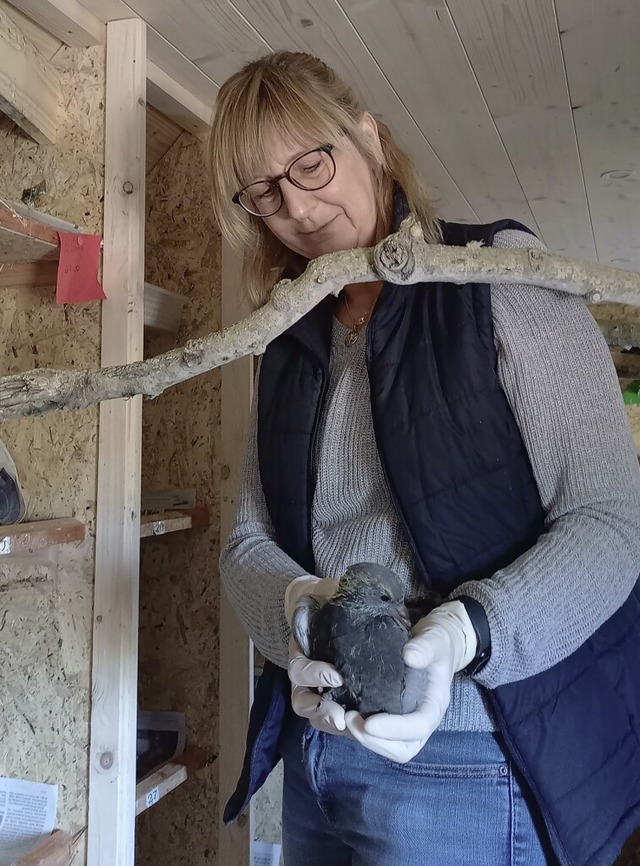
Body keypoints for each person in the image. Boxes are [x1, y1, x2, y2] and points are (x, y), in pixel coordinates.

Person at [211, 51, 640, 866]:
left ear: (368, 137)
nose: (298, 206)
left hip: (474, 764)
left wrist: (461, 634)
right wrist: (299, 611)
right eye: (264, 192)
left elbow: (611, 523)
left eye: (312, 161)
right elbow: (248, 543)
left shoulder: (500, 282)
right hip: (316, 755)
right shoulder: (288, 336)